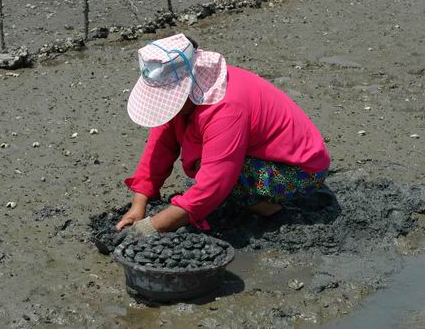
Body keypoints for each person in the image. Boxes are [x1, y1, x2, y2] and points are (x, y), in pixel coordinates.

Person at [115, 33, 329, 237]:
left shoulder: (225, 107)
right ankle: (250, 199)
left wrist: (151, 228)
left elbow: (214, 182)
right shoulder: (188, 97)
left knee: (211, 172)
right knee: (206, 170)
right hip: (262, 156)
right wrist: (138, 204)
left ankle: (271, 210)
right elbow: (160, 146)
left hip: (300, 170)